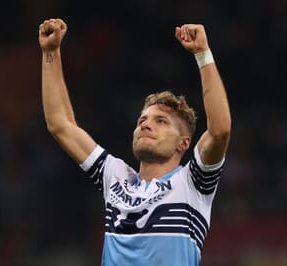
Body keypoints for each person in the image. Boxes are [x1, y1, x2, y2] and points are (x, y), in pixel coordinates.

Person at [39, 18, 231, 266]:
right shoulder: (116, 177)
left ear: (183, 144)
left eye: (161, 121)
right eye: (143, 119)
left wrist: (203, 55)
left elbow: (220, 130)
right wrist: (50, 53)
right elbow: (60, 124)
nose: (145, 124)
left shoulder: (192, 184)